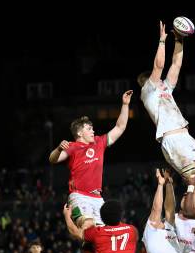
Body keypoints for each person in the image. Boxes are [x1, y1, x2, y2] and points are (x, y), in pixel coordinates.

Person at [137, 21, 195, 208]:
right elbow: (159, 66)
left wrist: (180, 40)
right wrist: (162, 41)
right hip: (172, 139)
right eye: (156, 78)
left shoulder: (165, 88)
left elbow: (176, 64)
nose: (160, 79)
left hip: (185, 135)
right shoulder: (148, 92)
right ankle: (190, 218)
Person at [49, 90, 133, 228]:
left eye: (92, 128)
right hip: (79, 196)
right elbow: (53, 160)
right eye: (89, 129)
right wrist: (58, 149)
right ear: (79, 133)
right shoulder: (72, 147)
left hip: (98, 198)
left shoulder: (99, 142)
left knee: (102, 234)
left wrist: (125, 104)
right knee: (88, 226)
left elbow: (120, 127)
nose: (93, 131)